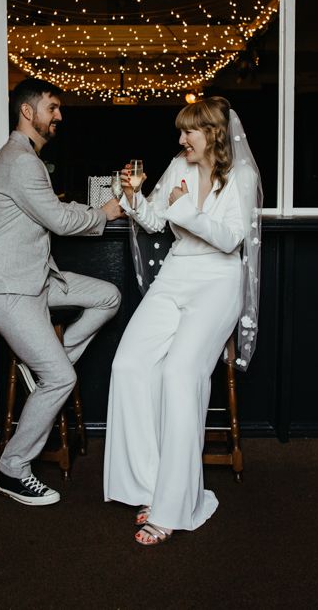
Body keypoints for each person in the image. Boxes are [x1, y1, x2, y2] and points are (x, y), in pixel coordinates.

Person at [103, 96, 263, 545]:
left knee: (179, 373)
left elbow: (232, 240)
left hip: (217, 281)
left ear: (212, 133)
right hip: (176, 273)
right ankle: (149, 486)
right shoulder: (178, 167)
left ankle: (176, 506)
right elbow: (156, 221)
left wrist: (185, 210)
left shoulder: (243, 176)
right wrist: (134, 198)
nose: (180, 140)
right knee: (129, 365)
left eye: (187, 132)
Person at [0, 77, 125, 506]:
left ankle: (50, 366)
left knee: (107, 296)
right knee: (61, 378)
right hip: (7, 290)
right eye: (52, 107)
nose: (59, 115)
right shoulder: (20, 160)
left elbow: (51, 212)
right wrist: (104, 212)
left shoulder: (25, 159)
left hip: (35, 281)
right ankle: (13, 468)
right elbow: (58, 220)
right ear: (28, 111)